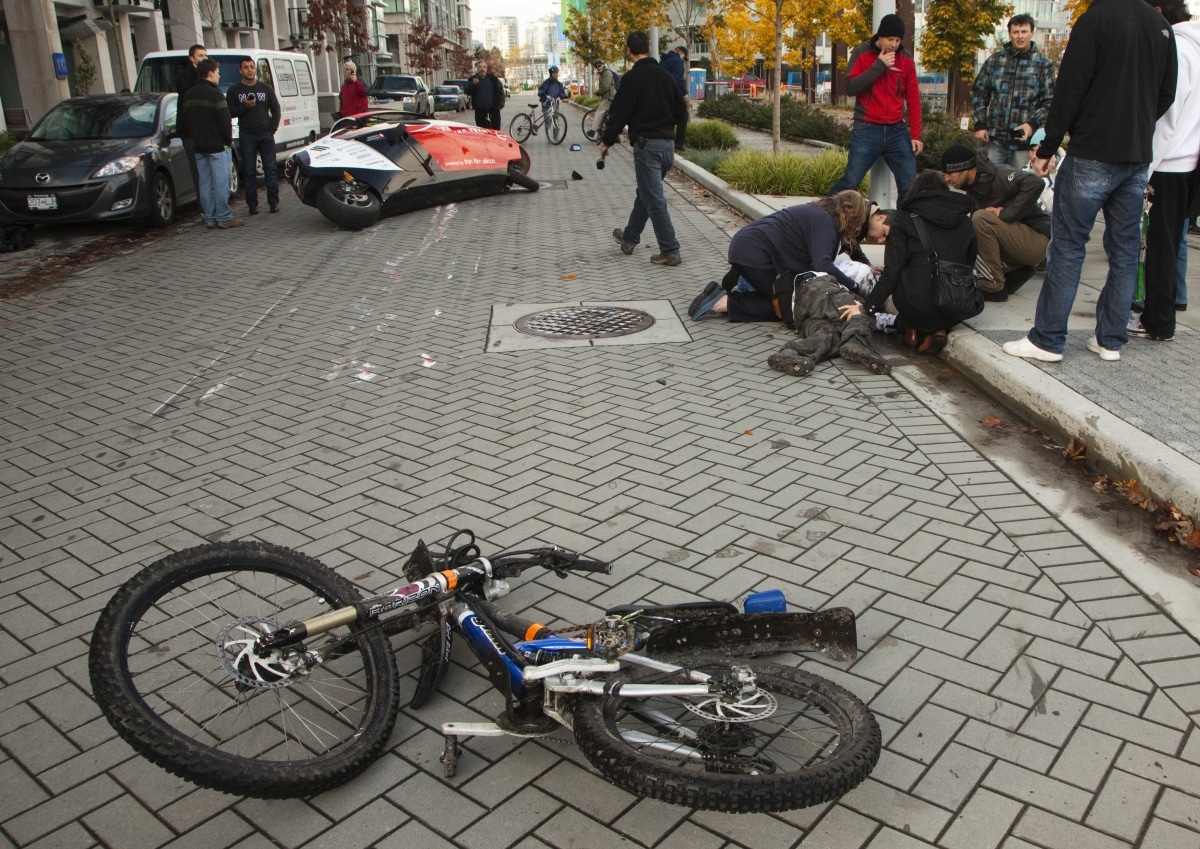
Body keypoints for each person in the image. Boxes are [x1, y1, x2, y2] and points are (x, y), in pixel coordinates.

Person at [1003, 0, 1177, 364]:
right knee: (1125, 251)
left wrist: (1048, 147)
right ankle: (1110, 339)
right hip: (1135, 154)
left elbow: (1070, 89)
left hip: (1092, 151)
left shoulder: (1094, 20)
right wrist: (1140, 122)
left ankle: (1048, 339)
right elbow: (1166, 93)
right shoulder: (1159, 26)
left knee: (1068, 247)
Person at [688, 192, 872, 322]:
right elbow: (822, 263)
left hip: (750, 248)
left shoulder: (821, 213)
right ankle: (723, 302)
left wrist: (866, 265)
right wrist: (854, 287)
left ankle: (743, 277)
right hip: (755, 255)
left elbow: (846, 246)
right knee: (788, 306)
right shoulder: (825, 223)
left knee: (784, 294)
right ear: (851, 214)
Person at [1134, 4, 1200, 342]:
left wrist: (1146, 167)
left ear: (1160, 11)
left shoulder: (1178, 47)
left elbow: (1168, 114)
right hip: (1189, 162)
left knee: (1157, 246)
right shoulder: (1196, 45)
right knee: (1171, 244)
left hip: (1168, 162)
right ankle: (1161, 316)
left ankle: (1157, 321)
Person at [867, 172, 979, 355]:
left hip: (916, 306)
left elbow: (892, 273)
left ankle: (912, 328)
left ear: (916, 193)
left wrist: (867, 308)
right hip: (955, 304)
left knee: (906, 273)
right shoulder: (965, 221)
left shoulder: (903, 220)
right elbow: (969, 262)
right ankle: (938, 330)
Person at [602, 31, 689, 267]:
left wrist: (606, 142)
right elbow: (682, 113)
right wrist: (678, 142)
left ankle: (670, 250)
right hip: (666, 147)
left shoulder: (632, 78)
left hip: (647, 146)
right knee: (647, 193)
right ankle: (629, 238)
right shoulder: (665, 75)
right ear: (648, 49)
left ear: (629, 51)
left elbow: (619, 113)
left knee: (654, 198)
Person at [827, 14, 923, 202]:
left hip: (897, 129)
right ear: (880, 36)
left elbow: (913, 97)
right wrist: (879, 65)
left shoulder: (905, 58)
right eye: (890, 39)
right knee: (850, 181)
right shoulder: (862, 53)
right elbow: (850, 87)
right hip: (867, 128)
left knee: (910, 185)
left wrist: (916, 134)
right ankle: (821, 215)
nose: (894, 44)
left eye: (897, 40)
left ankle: (903, 227)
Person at [939, 143, 1051, 302]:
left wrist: (1007, 213)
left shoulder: (1000, 175)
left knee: (980, 219)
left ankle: (992, 287)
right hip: (1022, 242)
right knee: (969, 226)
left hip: (1038, 239)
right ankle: (1014, 270)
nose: (947, 178)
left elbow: (1035, 183)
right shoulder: (975, 187)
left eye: (950, 173)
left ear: (966, 169)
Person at [970, 15, 1057, 168]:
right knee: (990, 186)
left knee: (1020, 187)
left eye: (1024, 31)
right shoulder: (995, 61)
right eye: (1015, 32)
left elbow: (1050, 101)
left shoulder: (1044, 65)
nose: (1020, 36)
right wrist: (980, 123)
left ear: (1032, 32)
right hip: (995, 139)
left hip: (1024, 144)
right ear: (1009, 34)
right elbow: (978, 92)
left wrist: (1032, 124)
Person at [180, 59, 242, 229]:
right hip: (217, 146)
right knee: (221, 183)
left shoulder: (188, 94)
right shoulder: (215, 94)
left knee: (205, 184)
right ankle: (224, 217)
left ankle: (210, 218)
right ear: (210, 73)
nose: (219, 76)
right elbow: (224, 120)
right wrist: (227, 141)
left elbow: (186, 120)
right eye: (217, 72)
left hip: (199, 147)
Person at [226, 58, 282, 215]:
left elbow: (276, 109)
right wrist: (245, 106)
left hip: (265, 133)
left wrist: (272, 128)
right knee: (249, 172)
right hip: (247, 135)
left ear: (255, 69)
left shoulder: (265, 89)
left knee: (270, 169)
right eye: (246, 67)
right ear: (240, 70)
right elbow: (230, 112)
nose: (249, 70)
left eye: (252, 67)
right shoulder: (234, 90)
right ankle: (253, 205)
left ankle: (274, 202)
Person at [466, 59, 505, 130]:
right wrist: (473, 84)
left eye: (484, 67)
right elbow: (467, 91)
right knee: (482, 132)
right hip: (480, 111)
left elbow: (500, 90)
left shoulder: (493, 79)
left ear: (486, 69)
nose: (482, 69)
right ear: (477, 69)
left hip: (494, 110)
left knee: (495, 131)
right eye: (480, 67)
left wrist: (501, 104)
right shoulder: (473, 79)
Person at [536, 66, 570, 137]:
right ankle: (549, 136)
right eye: (554, 73)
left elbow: (562, 93)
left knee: (556, 119)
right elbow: (540, 91)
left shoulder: (559, 84)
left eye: (556, 73)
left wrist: (561, 96)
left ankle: (555, 137)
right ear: (551, 73)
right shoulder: (547, 82)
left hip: (555, 104)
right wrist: (545, 95)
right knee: (547, 121)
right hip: (546, 104)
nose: (555, 74)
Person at [592, 59, 616, 135]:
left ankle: (593, 130)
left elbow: (605, 86)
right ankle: (615, 136)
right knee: (608, 117)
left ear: (603, 64)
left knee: (599, 112)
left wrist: (598, 92)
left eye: (599, 65)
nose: (598, 67)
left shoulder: (607, 73)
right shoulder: (602, 74)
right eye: (596, 67)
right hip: (607, 97)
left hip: (609, 98)